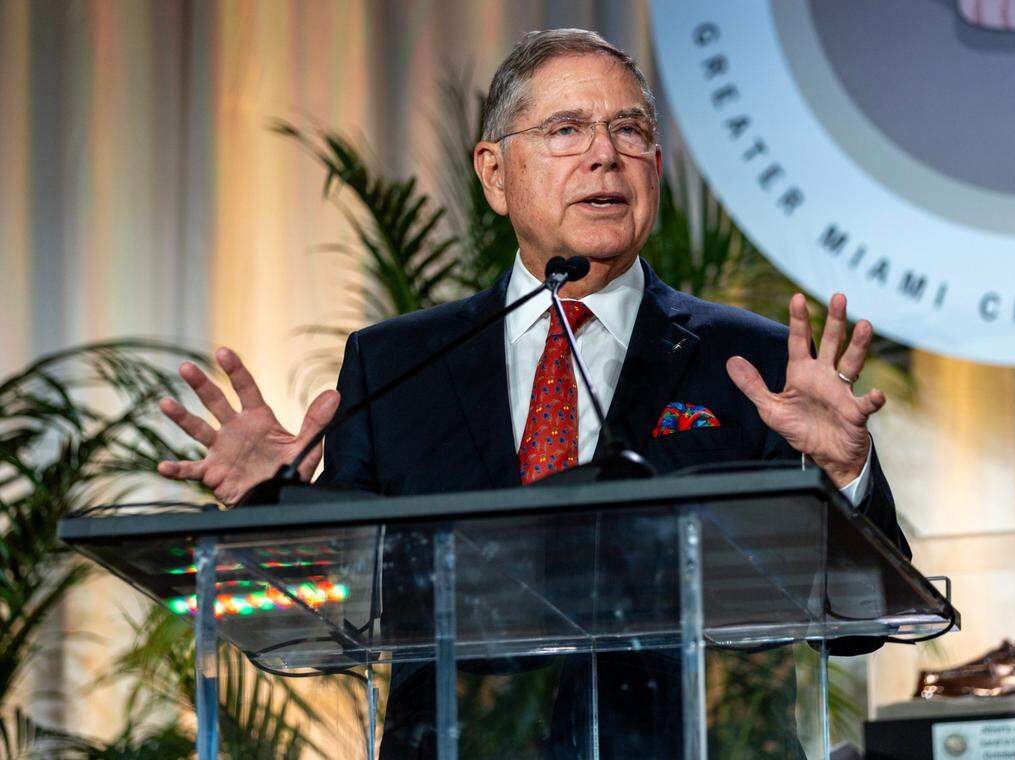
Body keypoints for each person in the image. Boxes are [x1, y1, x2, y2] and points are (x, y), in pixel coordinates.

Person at [158, 28, 908, 758]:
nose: (605, 155)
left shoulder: (754, 361)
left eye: (629, 130)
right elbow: (331, 617)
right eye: (566, 130)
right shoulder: (394, 365)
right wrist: (269, 512)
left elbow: (858, 625)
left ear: (654, 167)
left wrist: (844, 475)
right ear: (493, 174)